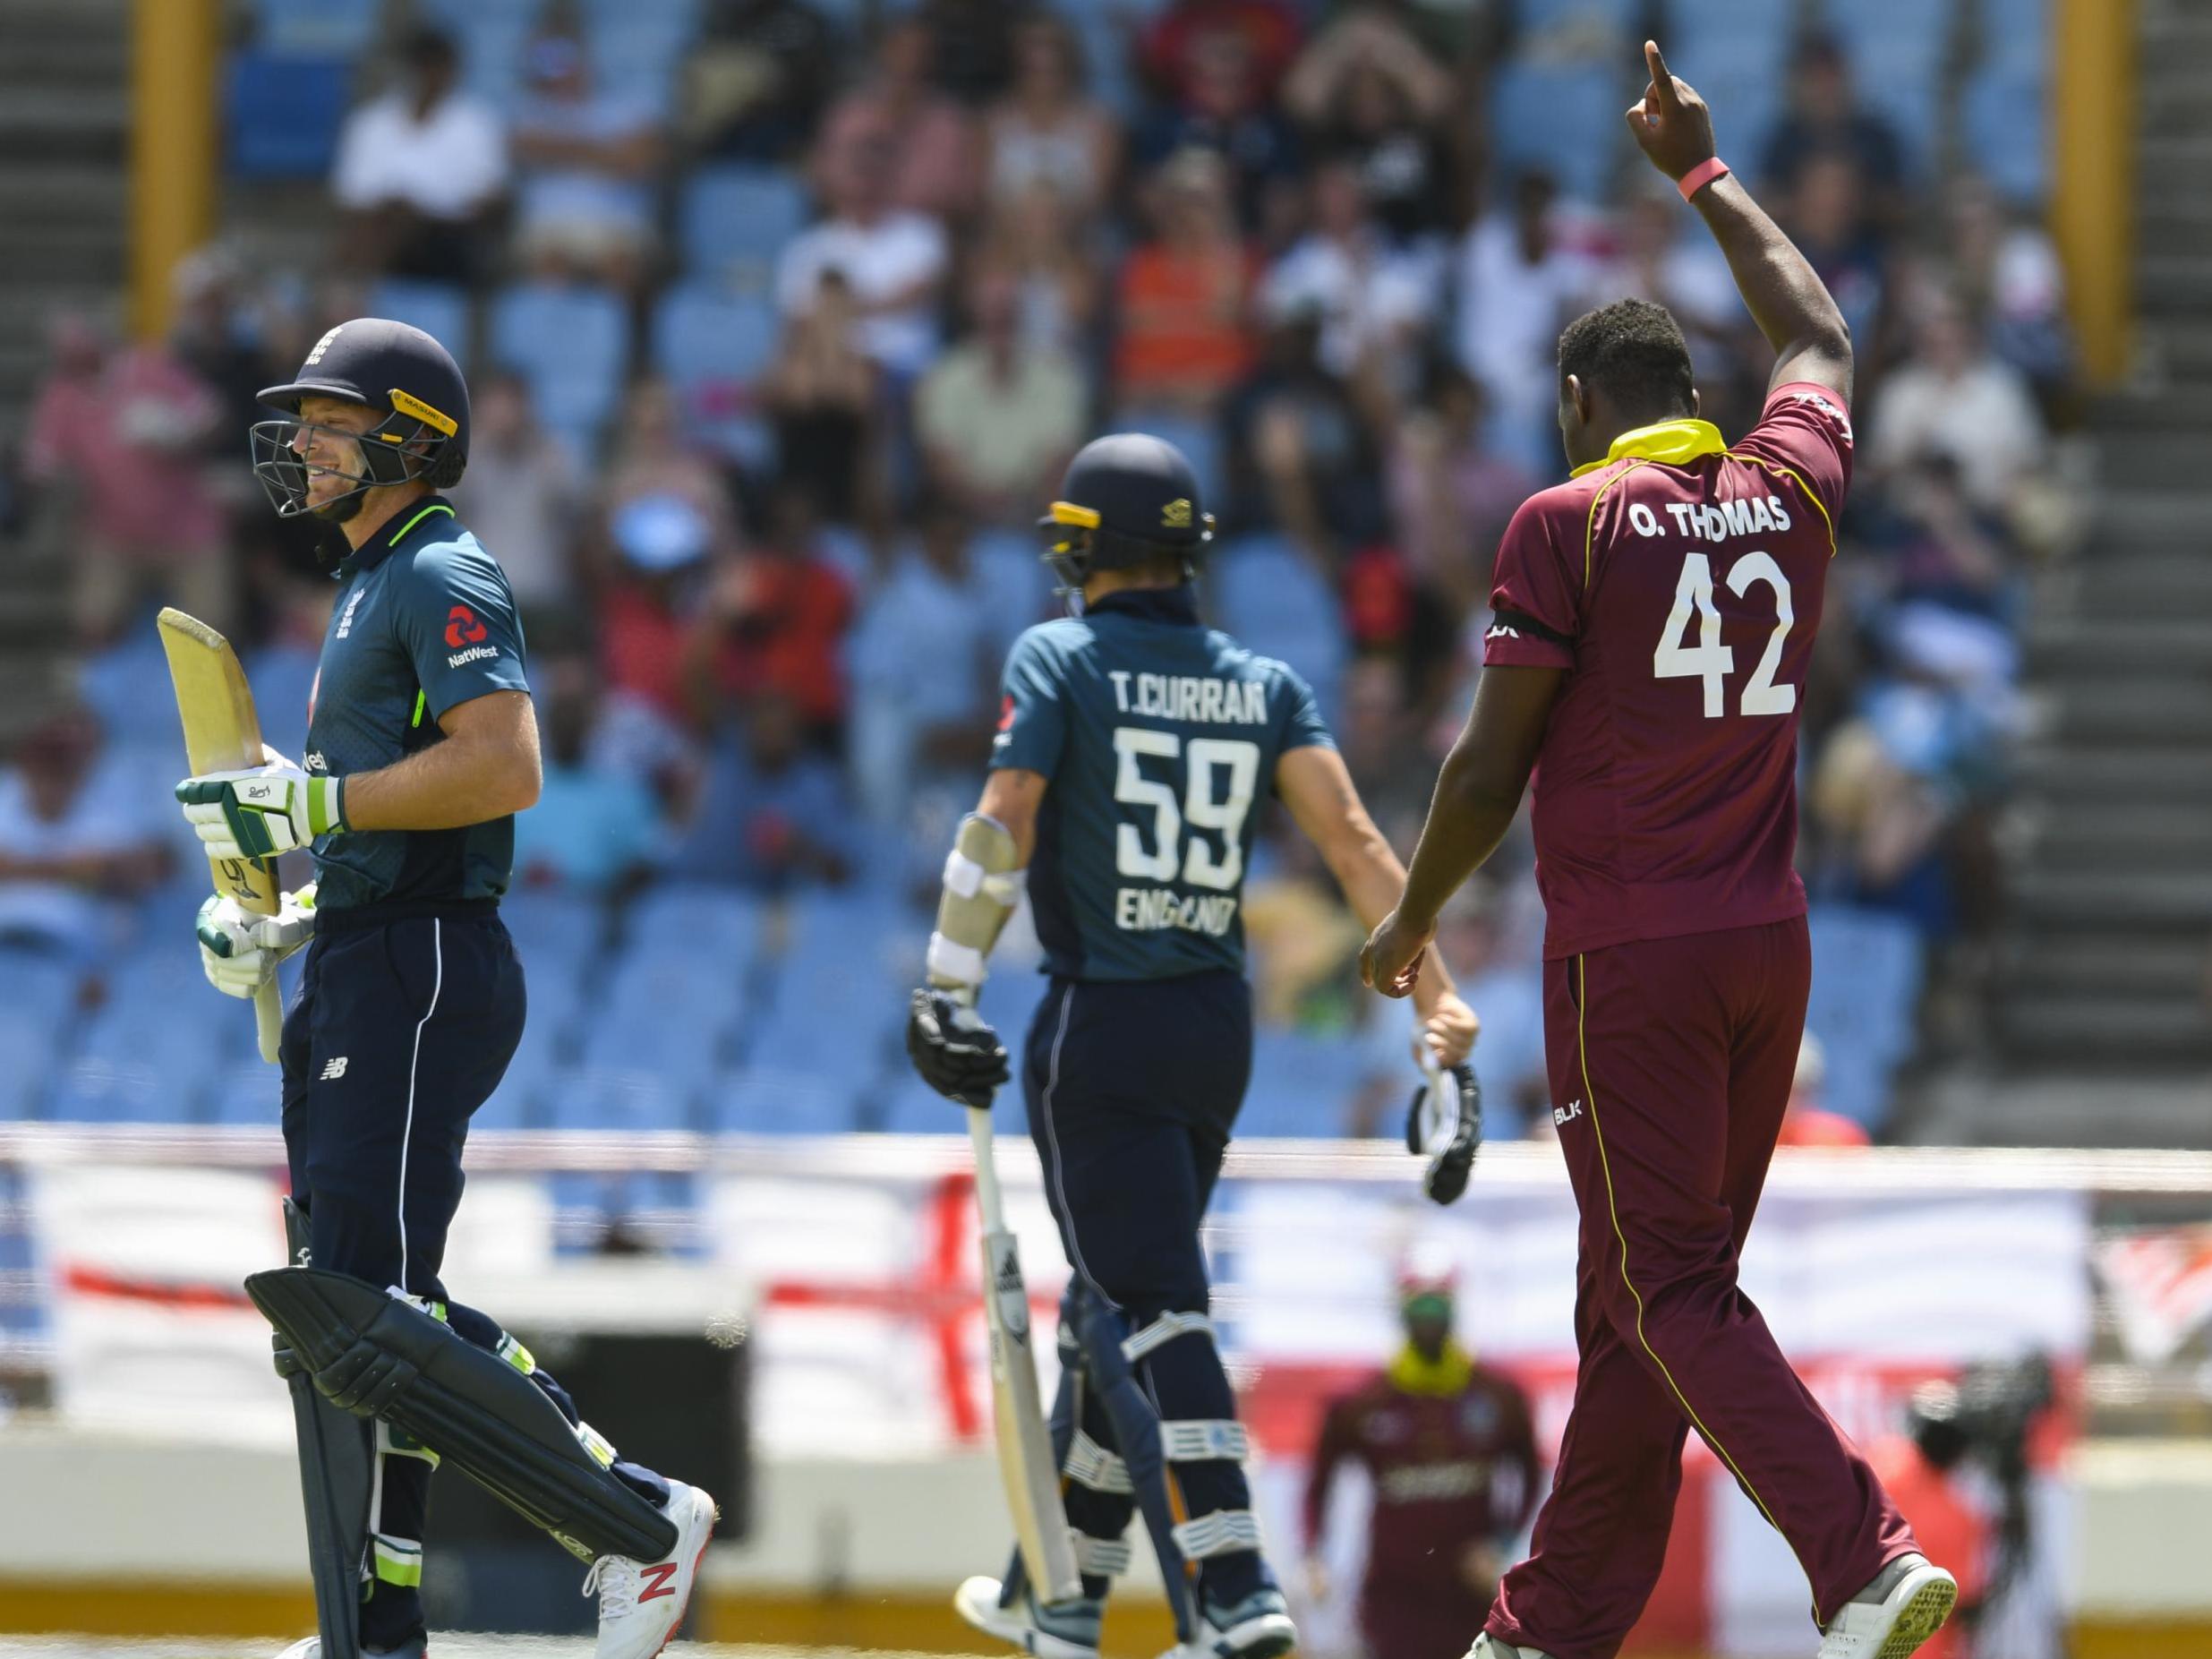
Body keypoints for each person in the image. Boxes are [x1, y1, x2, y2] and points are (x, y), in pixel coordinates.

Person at [1357, 46, 1958, 1659]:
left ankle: (1861, 1555)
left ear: (1575, 409)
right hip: (1771, 941)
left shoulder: (1561, 524)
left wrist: (1409, 915)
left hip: (1631, 956)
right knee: (1642, 1307)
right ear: (1695, 403)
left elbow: (1488, 768)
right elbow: (1821, 332)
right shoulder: (1790, 489)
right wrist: (1701, 174)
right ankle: (1549, 1628)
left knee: (1667, 1286)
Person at [172, 319, 715, 1659]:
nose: (302, 441)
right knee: (366, 1310)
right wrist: (284, 916)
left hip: (421, 966)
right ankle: (380, 1620)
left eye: (331, 419)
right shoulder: (366, 587)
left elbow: (505, 766)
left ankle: (635, 1520)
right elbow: (375, 828)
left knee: (358, 1306)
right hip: (370, 950)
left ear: (409, 441)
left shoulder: (443, 571)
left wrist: (311, 799)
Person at [901, 432, 1481, 1659]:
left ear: (1085, 552)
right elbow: (1359, 848)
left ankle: (1230, 1592)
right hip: (1214, 1032)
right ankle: (1055, 1591)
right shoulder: (1260, 681)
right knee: (1105, 1304)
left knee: (1151, 1306)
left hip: (1100, 1021)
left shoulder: (1055, 654)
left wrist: (944, 985)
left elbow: (1003, 816)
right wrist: (1434, 990)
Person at [1301, 1253, 1541, 1659]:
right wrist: (1315, 1554)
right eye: (1419, 1305)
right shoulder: (1361, 1403)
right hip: (1392, 1599)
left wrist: (1502, 1545)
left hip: (1473, 1599)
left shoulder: (1498, 1396)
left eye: (1438, 1305)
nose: (1429, 1317)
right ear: (1401, 1308)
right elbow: (1318, 1485)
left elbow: (1532, 1475)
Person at [331, 26, 508, 285]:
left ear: (451, 71)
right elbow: (353, 197)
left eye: (437, 67)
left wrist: (423, 212)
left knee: (400, 223)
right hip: (381, 224)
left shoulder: (478, 124)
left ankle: (349, 294)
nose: (430, 76)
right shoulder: (369, 122)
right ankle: (353, 291)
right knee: (388, 221)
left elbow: (488, 199)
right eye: (424, 67)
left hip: (449, 236)